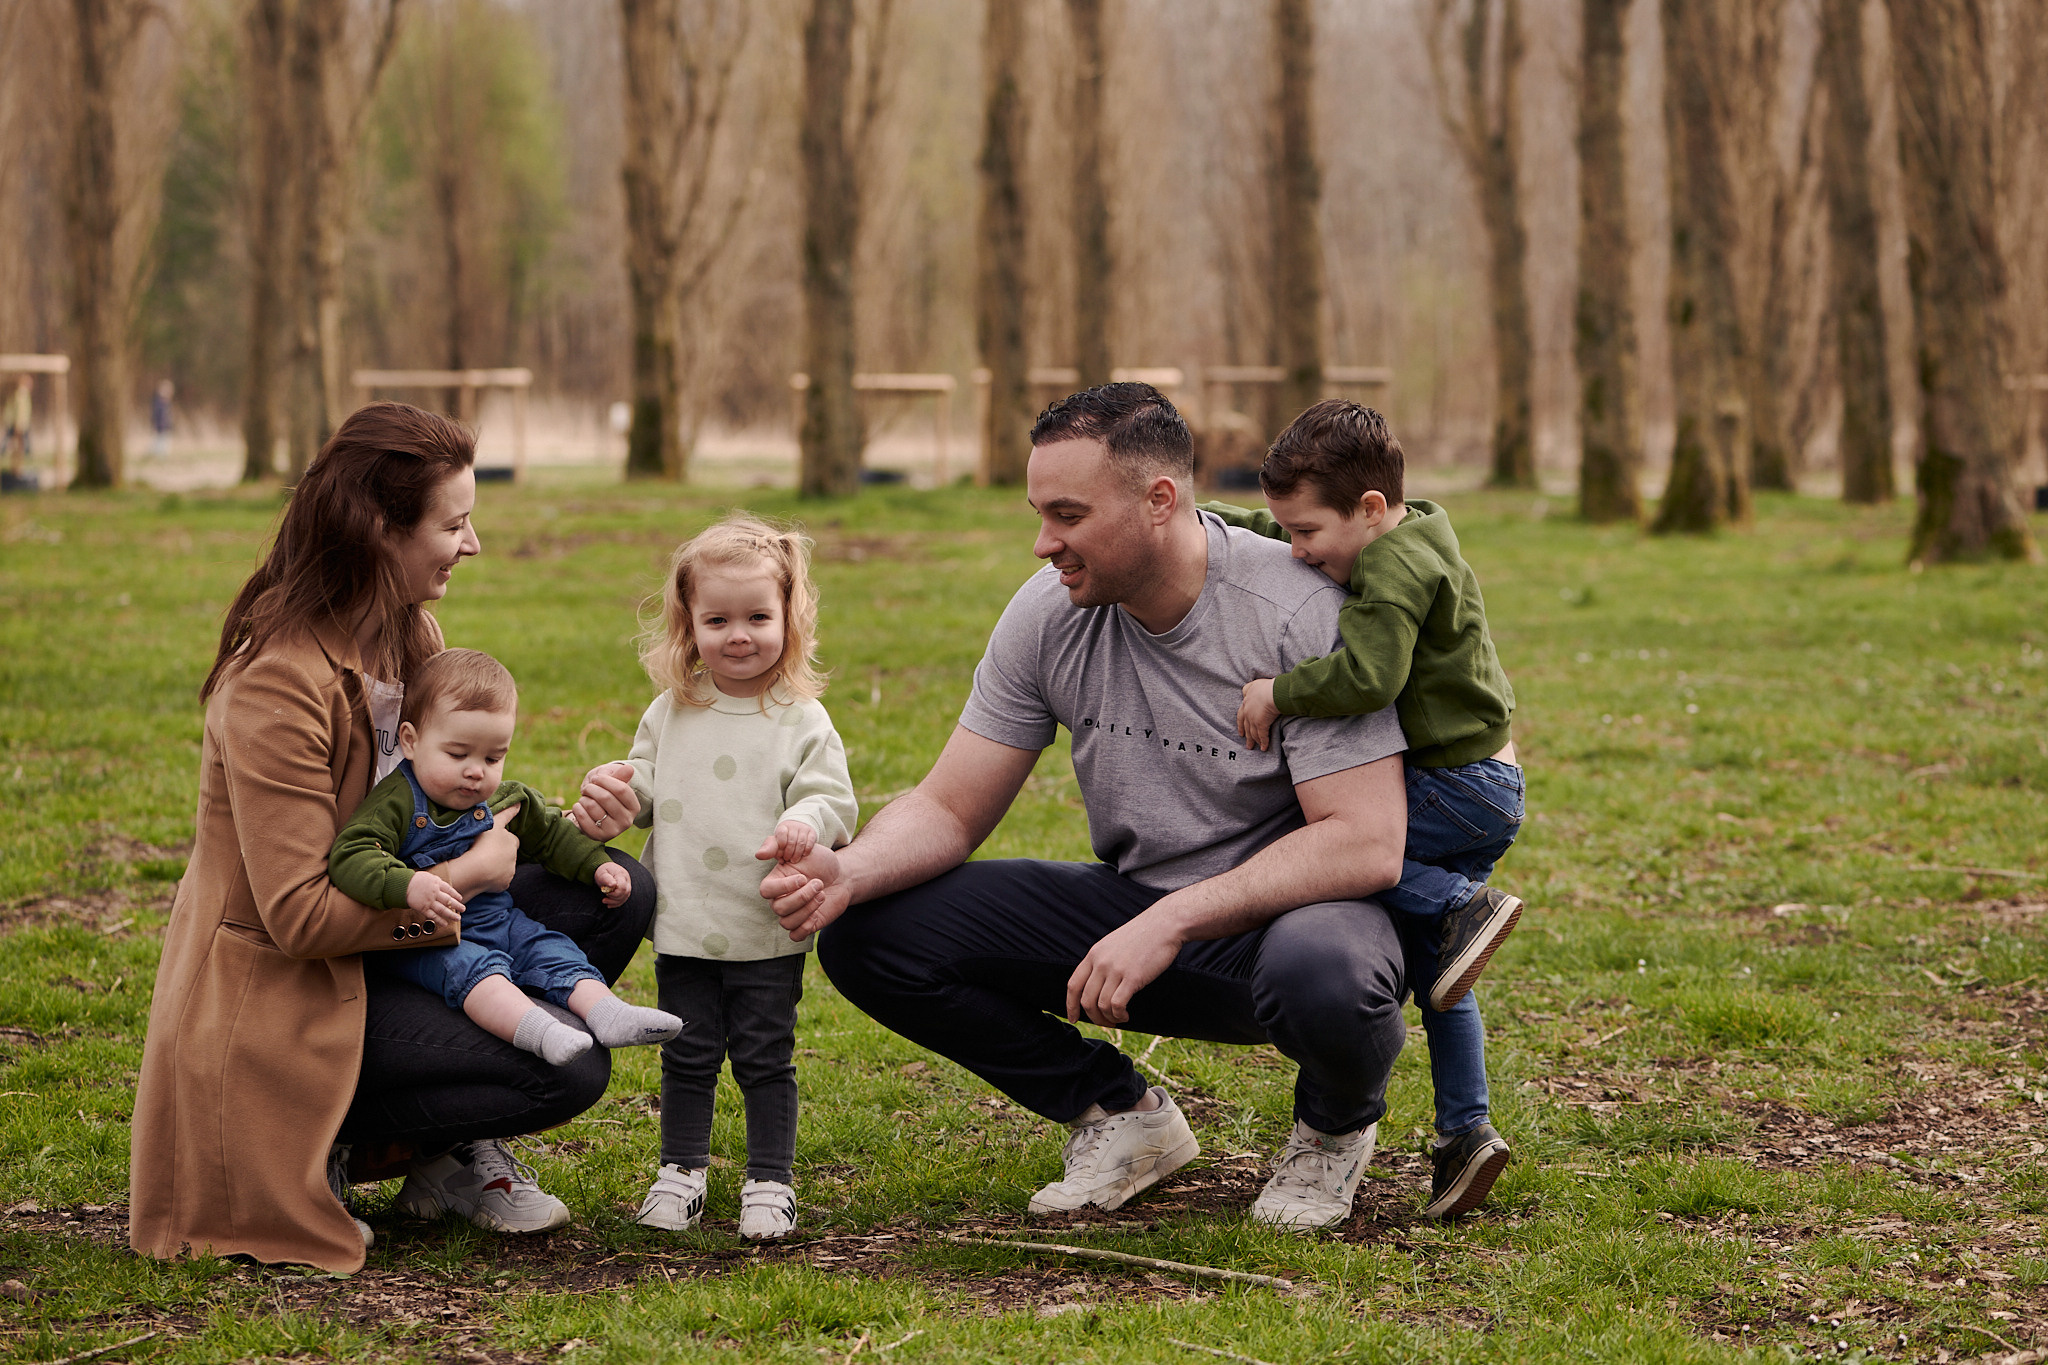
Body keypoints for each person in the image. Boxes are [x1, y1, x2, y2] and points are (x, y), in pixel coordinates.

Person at [758, 383, 1414, 1231]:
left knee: (1329, 973)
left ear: (1159, 500)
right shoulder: (1049, 613)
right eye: (1040, 514)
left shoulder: (1296, 611)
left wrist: (1173, 919)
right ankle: (1120, 1115)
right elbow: (950, 807)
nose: (1044, 544)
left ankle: (1332, 1128)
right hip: (1135, 913)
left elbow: (1365, 841)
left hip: (1289, 926)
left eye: (1068, 515)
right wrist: (848, 871)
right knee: (871, 932)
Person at [130, 402, 657, 1276]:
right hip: (292, 989)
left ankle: (440, 1156)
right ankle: (333, 1139)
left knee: (618, 891)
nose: (472, 543)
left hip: (392, 940)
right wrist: (467, 880)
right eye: (453, 524)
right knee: (567, 1069)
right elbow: (299, 916)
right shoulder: (275, 683)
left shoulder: (411, 634)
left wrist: (567, 830)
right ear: (380, 526)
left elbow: (439, 807)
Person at [1204, 400, 1524, 1220]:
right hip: (1481, 779)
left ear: (1370, 508)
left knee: (1324, 850)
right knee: (1442, 969)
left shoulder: (1393, 569)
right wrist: (1210, 524)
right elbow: (1285, 530)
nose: (1298, 550)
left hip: (1456, 787)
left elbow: (1370, 677)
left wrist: (1279, 691)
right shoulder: (1408, 528)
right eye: (1289, 531)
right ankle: (1466, 1131)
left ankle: (1455, 899)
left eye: (1308, 532)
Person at [578, 514, 857, 1241]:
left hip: (762, 923)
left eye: (758, 617)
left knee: (765, 1055)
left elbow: (832, 800)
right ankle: (682, 1171)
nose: (739, 635)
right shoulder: (673, 709)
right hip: (685, 920)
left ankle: (770, 1179)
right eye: (718, 619)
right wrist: (619, 791)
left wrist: (807, 821)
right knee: (688, 1052)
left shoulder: (802, 719)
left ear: (789, 619)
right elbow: (645, 782)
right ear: (689, 624)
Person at [328, 648, 682, 1069]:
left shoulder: (504, 798)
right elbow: (351, 855)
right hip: (429, 941)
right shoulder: (395, 803)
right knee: (475, 969)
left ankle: (608, 1014)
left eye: (492, 758)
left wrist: (596, 865)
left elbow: (551, 835)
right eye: (457, 755)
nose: (476, 771)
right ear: (411, 741)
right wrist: (407, 884)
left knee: (548, 948)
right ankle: (540, 1031)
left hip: (496, 919)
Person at [3, 375, 31, 480]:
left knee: (19, 448)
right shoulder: (20, 395)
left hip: (22, 425)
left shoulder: (23, 394)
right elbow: (19, 411)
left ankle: (18, 470)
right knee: (17, 448)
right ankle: (16, 471)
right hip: (18, 426)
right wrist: (18, 425)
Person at [150, 379, 174, 458]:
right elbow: (157, 416)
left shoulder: (166, 403)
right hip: (160, 426)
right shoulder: (159, 403)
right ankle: (158, 455)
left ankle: (160, 455)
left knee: (163, 441)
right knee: (160, 441)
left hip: (165, 426)